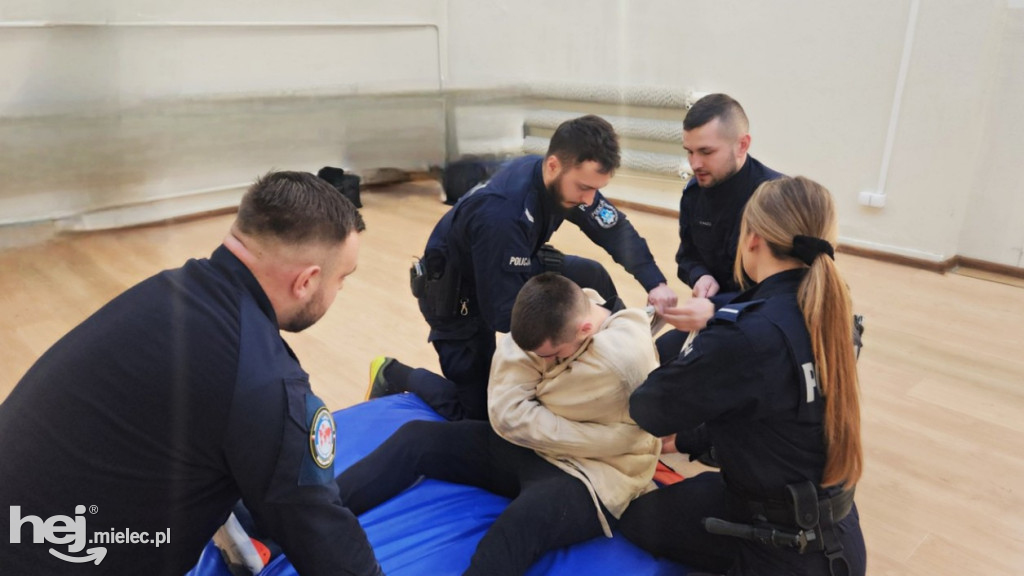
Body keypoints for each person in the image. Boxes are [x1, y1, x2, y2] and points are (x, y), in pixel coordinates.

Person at [0, 172, 382, 576]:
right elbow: (325, 542)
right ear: (306, 281)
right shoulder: (263, 380)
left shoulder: (165, 294)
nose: (339, 290)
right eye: (342, 278)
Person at [617, 176, 866, 575]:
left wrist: (696, 337)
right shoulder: (835, 313)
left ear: (752, 238)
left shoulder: (745, 337)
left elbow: (648, 408)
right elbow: (767, 406)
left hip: (781, 551)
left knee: (633, 519)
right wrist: (688, 439)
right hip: (834, 531)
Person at [341, 273, 661, 576]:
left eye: (553, 356)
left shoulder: (623, 364)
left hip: (594, 474)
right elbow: (508, 414)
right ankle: (308, 514)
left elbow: (645, 430)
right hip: (536, 447)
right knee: (417, 437)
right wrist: (606, 438)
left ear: (585, 329)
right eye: (540, 357)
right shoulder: (544, 320)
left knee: (516, 527)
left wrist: (541, 397)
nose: (545, 362)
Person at [407, 114, 677, 420]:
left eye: (596, 189)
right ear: (553, 166)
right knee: (485, 417)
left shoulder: (563, 179)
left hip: (508, 259)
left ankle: (618, 350)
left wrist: (655, 282)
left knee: (591, 274)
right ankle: (398, 374)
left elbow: (613, 229)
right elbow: (504, 314)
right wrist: (574, 336)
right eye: (584, 188)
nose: (589, 199)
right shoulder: (503, 215)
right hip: (458, 300)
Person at [656, 93, 783, 364]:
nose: (694, 164)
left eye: (706, 152)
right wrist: (700, 276)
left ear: (742, 145)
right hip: (713, 317)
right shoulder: (694, 193)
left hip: (764, 323)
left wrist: (716, 307)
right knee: (658, 358)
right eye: (689, 151)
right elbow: (686, 257)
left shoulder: (778, 200)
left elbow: (786, 291)